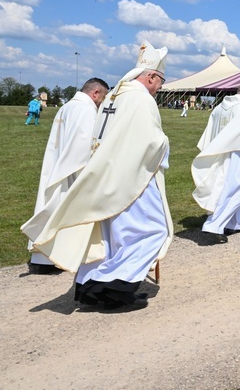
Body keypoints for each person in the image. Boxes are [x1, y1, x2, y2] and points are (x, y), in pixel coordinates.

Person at [22, 41, 173, 310]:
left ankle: (91, 286)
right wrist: (166, 144)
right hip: (131, 178)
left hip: (107, 174)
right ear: (150, 76)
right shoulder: (140, 98)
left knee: (110, 237)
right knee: (152, 230)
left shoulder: (115, 95)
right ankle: (115, 287)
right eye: (160, 81)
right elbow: (151, 142)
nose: (160, 86)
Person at [26, 78, 110, 274]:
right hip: (72, 169)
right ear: (95, 93)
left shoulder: (68, 107)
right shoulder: (87, 110)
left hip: (58, 164)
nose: (102, 102)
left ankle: (42, 257)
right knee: (64, 210)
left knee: (51, 207)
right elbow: (86, 147)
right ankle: (59, 255)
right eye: (103, 97)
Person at [192, 83, 240, 242]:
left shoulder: (219, 107)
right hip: (236, 155)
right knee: (237, 189)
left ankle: (236, 224)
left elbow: (210, 133)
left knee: (224, 187)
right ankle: (213, 225)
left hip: (218, 153)